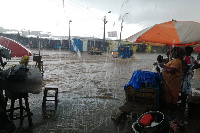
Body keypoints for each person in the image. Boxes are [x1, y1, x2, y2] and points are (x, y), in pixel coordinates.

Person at [161, 47, 183, 112]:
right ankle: (171, 110)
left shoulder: (177, 61)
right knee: (169, 96)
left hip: (173, 82)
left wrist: (164, 66)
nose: (172, 53)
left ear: (177, 53)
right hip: (169, 82)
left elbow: (172, 70)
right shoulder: (174, 61)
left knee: (173, 96)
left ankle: (172, 111)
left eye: (173, 52)